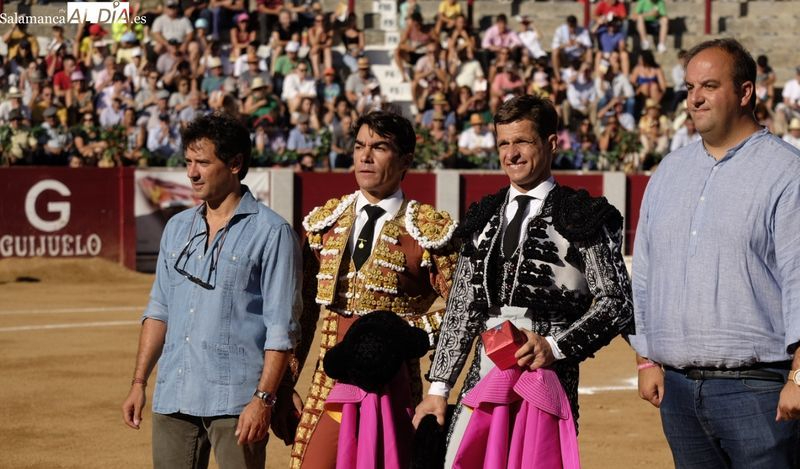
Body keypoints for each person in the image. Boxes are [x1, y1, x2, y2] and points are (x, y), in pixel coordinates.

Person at [414, 94, 634, 466]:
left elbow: (616, 302)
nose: (511, 154)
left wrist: (555, 347)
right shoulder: (484, 216)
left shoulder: (581, 214)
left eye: (522, 142)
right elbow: (462, 306)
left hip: (548, 373)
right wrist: (438, 388)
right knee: (462, 459)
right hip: (485, 370)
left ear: (551, 143)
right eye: (503, 143)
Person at [631, 38, 800, 468]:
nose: (695, 99)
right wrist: (646, 357)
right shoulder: (669, 171)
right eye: (690, 88)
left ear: (745, 92)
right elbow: (646, 272)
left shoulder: (787, 171)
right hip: (679, 392)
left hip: (760, 389)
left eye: (709, 86)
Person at [121, 112, 303, 469]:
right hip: (174, 394)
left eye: (203, 163)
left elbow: (281, 328)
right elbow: (159, 310)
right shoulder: (177, 228)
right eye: (188, 162)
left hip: (237, 402)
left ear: (235, 164)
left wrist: (264, 399)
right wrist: (139, 382)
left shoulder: (272, 233)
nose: (192, 173)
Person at [288, 109, 460, 468]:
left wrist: (407, 333)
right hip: (330, 378)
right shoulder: (325, 223)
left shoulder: (427, 229)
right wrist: (286, 384)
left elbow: (464, 308)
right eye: (359, 146)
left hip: (393, 381)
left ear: (405, 160)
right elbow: (302, 313)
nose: (365, 156)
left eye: (379, 147)